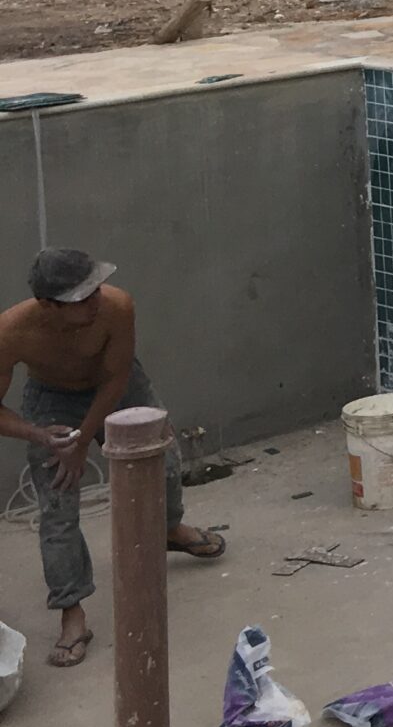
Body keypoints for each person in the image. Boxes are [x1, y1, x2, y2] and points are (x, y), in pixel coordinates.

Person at [0, 249, 225, 667]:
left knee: (163, 461)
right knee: (57, 505)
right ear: (48, 306)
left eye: (96, 289)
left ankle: (169, 528)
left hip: (117, 385)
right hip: (52, 398)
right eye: (81, 298)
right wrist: (40, 434)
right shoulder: (11, 331)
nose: (95, 302)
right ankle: (71, 611)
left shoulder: (117, 306)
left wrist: (84, 438)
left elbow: (117, 377)